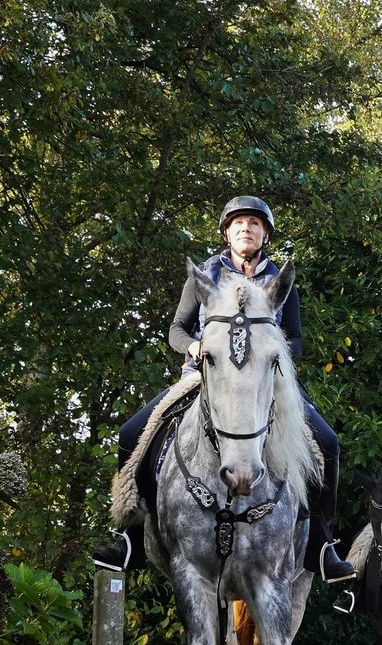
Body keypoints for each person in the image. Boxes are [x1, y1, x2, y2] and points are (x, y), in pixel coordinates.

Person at [95, 196, 354, 583]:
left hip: (268, 384)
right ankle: (129, 537)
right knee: (131, 433)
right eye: (238, 223)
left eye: (253, 223)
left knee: (328, 444)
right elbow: (177, 330)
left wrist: (274, 352)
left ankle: (320, 543)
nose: (245, 228)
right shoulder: (203, 275)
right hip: (205, 377)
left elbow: (295, 339)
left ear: (265, 234)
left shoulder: (279, 280)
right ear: (227, 232)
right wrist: (194, 347)